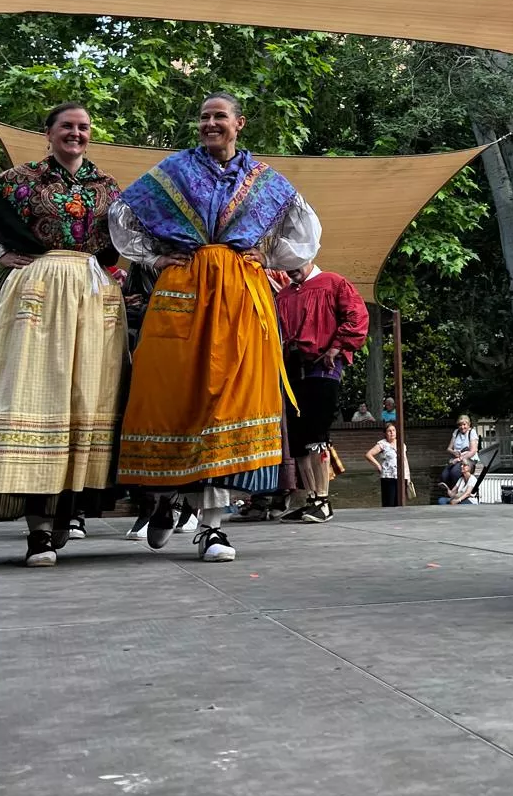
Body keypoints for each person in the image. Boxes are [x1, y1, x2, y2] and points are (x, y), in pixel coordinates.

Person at [110, 91, 320, 565]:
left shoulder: (264, 180)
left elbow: (305, 232)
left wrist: (267, 256)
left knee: (227, 405)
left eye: (219, 116)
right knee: (173, 399)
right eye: (204, 117)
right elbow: (122, 215)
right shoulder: (174, 172)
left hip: (241, 298)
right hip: (182, 291)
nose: (210, 124)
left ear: (238, 123)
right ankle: (165, 497)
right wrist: (156, 256)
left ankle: (211, 528)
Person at [0, 103, 128, 568]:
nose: (76, 134)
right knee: (36, 395)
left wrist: (117, 273)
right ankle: (38, 530)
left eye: (83, 127)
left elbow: (127, 236)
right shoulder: (24, 178)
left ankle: (67, 513)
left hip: (93, 295)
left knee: (89, 400)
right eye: (67, 126)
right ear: (49, 132)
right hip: (39, 289)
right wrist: (1, 254)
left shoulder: (107, 186)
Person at [275, 258, 369, 523]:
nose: (291, 268)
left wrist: (337, 346)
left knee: (317, 433)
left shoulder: (334, 282)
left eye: (295, 262)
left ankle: (323, 500)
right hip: (293, 369)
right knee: (300, 437)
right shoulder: (284, 294)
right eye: (286, 264)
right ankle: (311, 499)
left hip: (322, 367)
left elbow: (357, 316)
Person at [367, 422, 409, 506]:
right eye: (389, 431)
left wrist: (408, 476)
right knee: (389, 502)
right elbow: (368, 454)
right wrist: (378, 466)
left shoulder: (401, 444)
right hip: (388, 477)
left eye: (393, 430)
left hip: (401, 476)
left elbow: (405, 460)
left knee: (400, 502)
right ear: (385, 433)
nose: (392, 432)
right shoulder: (382, 444)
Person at [440, 414, 479, 487]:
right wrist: (453, 452)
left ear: (468, 424)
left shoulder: (472, 432)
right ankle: (451, 492)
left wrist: (459, 459)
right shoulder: (456, 432)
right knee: (444, 476)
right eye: (460, 425)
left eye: (464, 424)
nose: (462, 427)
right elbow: (448, 448)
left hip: (468, 459)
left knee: (454, 472)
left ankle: (460, 492)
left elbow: (473, 451)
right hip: (456, 459)